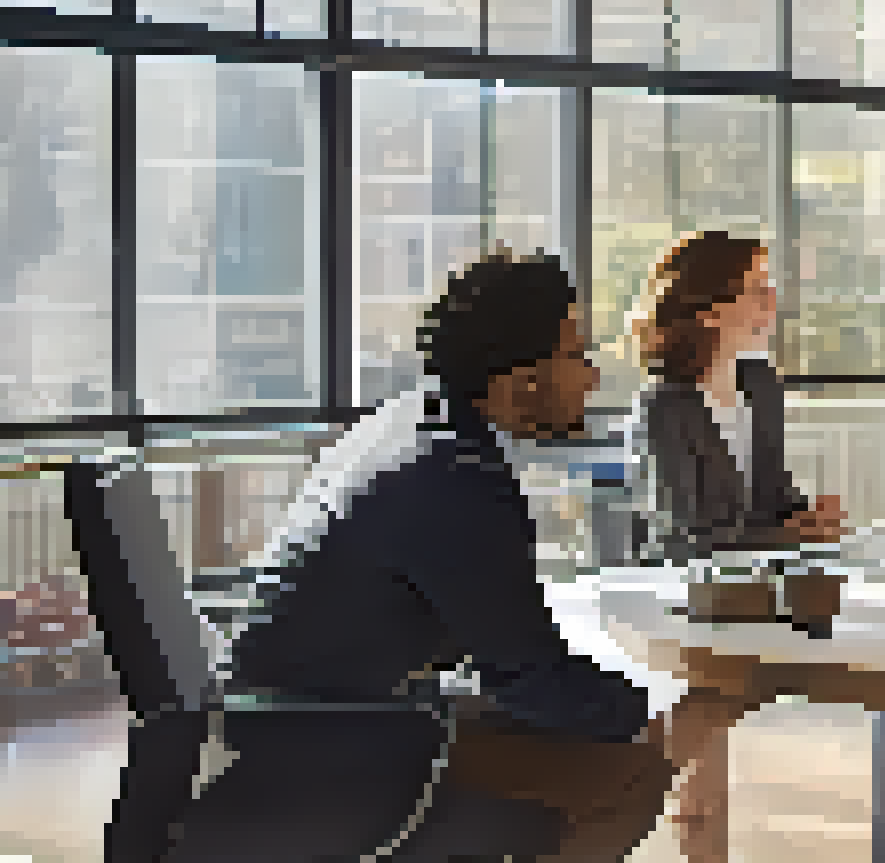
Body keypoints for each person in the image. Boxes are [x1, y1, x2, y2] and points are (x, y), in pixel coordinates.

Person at [209, 248, 674, 862]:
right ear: (522, 378)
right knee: (635, 767)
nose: (592, 377)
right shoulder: (458, 479)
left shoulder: (408, 426)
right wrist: (652, 710)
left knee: (584, 730)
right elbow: (530, 677)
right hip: (329, 742)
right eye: (577, 354)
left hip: (280, 718)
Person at [626, 230, 848, 863]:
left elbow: (766, 496)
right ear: (708, 308)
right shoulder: (665, 408)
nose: (773, 301)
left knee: (727, 705)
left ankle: (674, 816)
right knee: (710, 713)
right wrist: (791, 533)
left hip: (749, 588)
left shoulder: (759, 384)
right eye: (757, 289)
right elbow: (685, 534)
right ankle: (656, 814)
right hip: (680, 594)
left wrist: (803, 513)